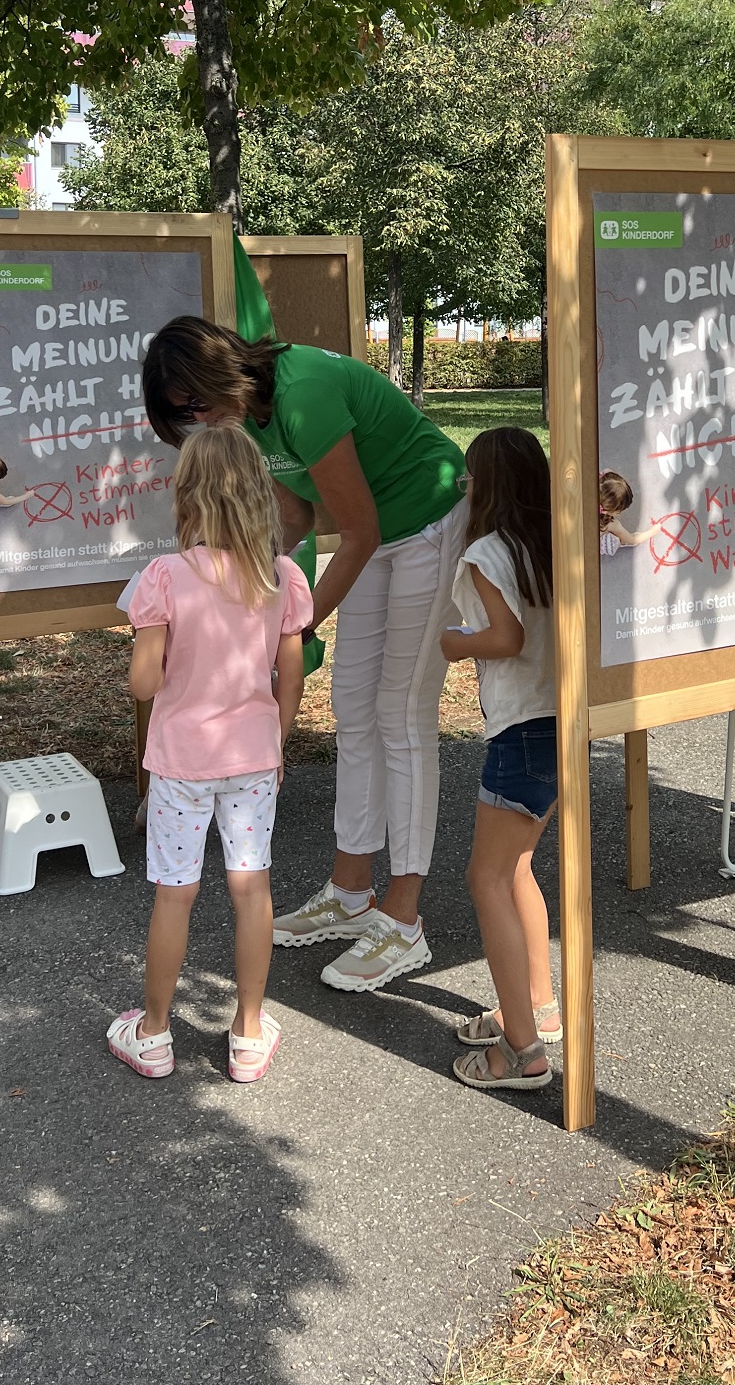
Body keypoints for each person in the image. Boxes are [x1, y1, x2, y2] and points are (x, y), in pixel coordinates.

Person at [141, 317, 467, 995]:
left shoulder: (302, 394)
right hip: (374, 534)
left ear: (217, 373)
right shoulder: (250, 422)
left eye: (195, 405)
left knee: (401, 717)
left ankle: (403, 917)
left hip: (426, 521)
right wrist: (250, 597)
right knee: (353, 705)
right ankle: (350, 891)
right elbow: (295, 521)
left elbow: (358, 527)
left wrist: (291, 622)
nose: (197, 422)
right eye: (183, 417)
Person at [107, 425, 310, 1084]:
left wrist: (148, 637)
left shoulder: (164, 577)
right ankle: (249, 1034)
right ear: (258, 493)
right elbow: (291, 675)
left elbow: (143, 683)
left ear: (186, 494)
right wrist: (275, 742)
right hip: (252, 757)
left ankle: (156, 1033)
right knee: (252, 889)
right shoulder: (279, 575)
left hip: (180, 763)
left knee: (176, 894)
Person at [441, 428, 559, 1093]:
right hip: (558, 728)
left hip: (518, 733)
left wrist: (458, 644)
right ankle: (535, 1002)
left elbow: (505, 637)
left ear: (483, 484)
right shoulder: (551, 543)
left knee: (485, 879)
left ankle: (521, 1053)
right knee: (516, 870)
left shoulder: (489, 551)